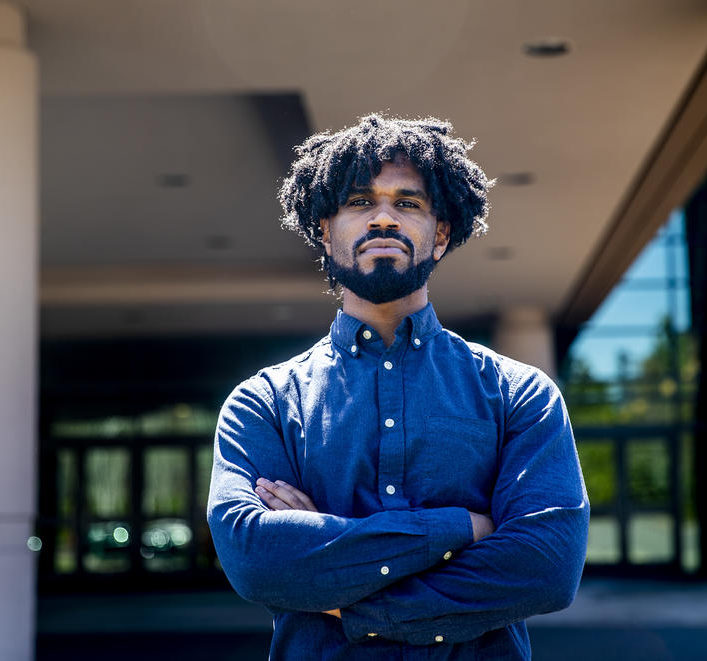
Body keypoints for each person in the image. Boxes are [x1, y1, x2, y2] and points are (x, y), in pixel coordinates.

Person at [207, 113, 589, 659]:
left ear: (440, 234)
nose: (383, 218)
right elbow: (255, 559)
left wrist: (342, 587)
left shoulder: (518, 393)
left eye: (407, 203)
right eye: (360, 202)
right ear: (325, 230)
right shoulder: (263, 403)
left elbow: (547, 565)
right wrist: (463, 528)